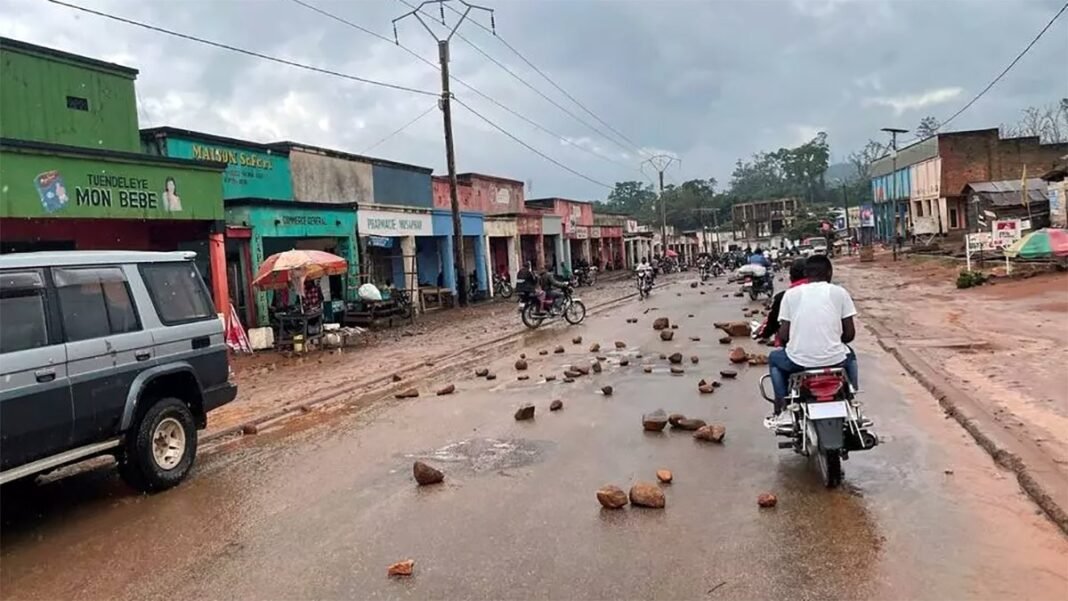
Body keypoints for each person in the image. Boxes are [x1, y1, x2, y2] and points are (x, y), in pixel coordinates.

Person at [764, 255, 859, 429]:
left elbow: (784, 336)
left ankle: (784, 408)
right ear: (830, 272)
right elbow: (849, 335)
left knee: (774, 359)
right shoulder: (840, 292)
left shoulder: (790, 295)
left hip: (799, 362)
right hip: (837, 360)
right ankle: (851, 398)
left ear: (806, 274)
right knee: (851, 355)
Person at [754, 261, 808, 344]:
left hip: (796, 349)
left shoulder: (784, 297)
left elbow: (773, 323)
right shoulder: (828, 293)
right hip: (828, 349)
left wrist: (763, 334)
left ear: (791, 277)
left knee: (775, 356)